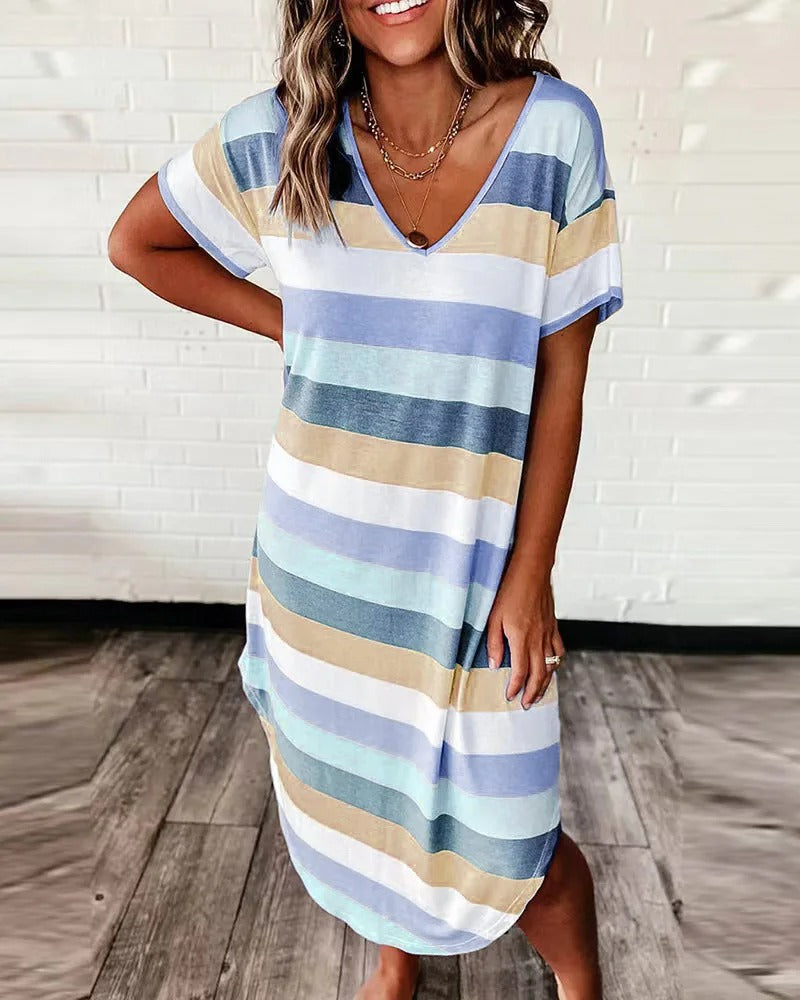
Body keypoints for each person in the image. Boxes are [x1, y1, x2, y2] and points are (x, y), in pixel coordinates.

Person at [109, 1, 623, 997]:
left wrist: (532, 572)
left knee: (517, 843)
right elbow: (138, 243)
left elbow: (563, 375)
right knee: (360, 804)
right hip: (322, 573)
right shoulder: (280, 133)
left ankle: (581, 986)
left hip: (473, 571)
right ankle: (396, 958)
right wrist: (291, 325)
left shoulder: (555, 131)